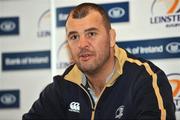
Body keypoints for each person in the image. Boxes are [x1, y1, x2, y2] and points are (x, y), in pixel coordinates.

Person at [23, 2, 176, 120]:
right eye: (74, 37)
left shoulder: (146, 79)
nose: (82, 44)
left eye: (91, 34)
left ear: (111, 38)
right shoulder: (63, 87)